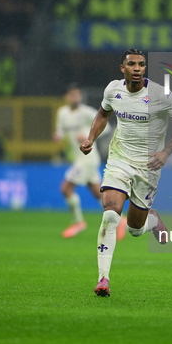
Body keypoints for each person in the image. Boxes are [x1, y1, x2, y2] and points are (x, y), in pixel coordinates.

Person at [80, 48, 172, 297]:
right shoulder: (113, 90)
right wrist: (90, 138)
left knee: (134, 229)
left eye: (141, 64)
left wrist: (165, 153)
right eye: (132, 64)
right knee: (110, 215)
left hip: (147, 167)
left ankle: (152, 219)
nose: (137, 68)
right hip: (119, 159)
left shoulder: (160, 94)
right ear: (123, 68)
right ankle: (103, 279)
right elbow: (103, 113)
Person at [54, 84, 125, 239]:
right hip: (78, 158)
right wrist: (58, 135)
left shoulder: (87, 112)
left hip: (87, 158)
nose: (75, 98)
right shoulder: (62, 113)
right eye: (72, 95)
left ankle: (78, 222)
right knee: (97, 194)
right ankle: (121, 220)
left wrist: (89, 136)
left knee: (66, 188)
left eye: (77, 95)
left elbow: (105, 127)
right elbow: (60, 129)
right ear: (66, 97)